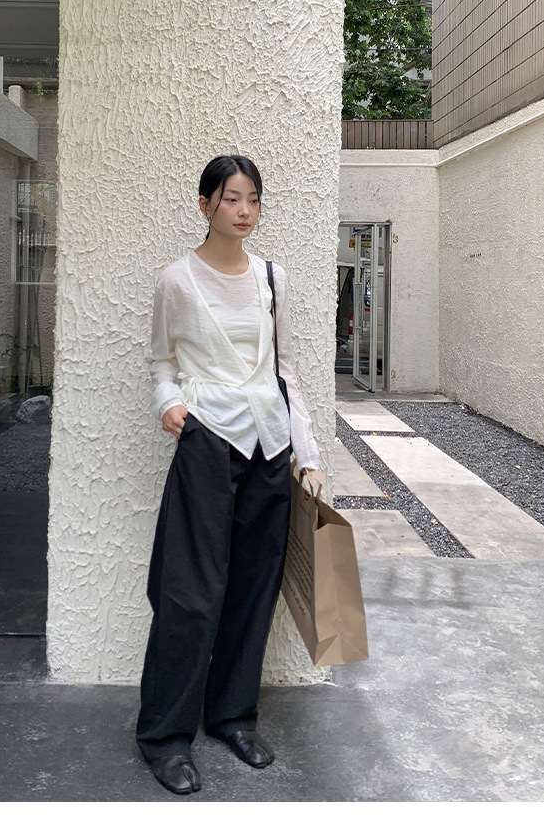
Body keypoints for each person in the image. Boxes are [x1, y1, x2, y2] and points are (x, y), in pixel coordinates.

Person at [136, 154, 323, 795]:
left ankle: (232, 717)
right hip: (208, 441)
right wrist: (170, 405)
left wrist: (307, 449)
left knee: (254, 586)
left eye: (253, 199)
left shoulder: (272, 277)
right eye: (231, 198)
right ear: (205, 205)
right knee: (189, 591)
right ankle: (165, 737)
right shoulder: (177, 280)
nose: (244, 211)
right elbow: (161, 362)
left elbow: (283, 368)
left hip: (270, 445)